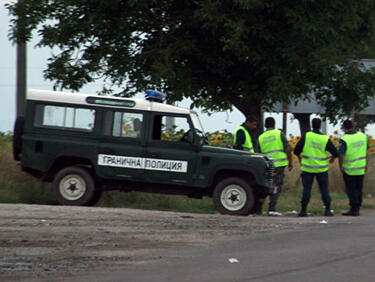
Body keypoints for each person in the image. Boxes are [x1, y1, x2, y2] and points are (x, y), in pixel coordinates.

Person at [294, 118, 338, 217]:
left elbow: (296, 150)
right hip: (321, 169)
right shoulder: (324, 138)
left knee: (307, 189)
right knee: (324, 190)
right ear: (320, 126)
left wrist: (300, 156)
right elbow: (335, 152)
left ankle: (303, 210)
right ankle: (327, 210)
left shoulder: (307, 136)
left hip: (307, 168)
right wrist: (332, 158)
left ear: (312, 125)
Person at [258, 117, 293, 215]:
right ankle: (271, 208)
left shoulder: (261, 137)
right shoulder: (279, 134)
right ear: (274, 124)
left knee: (265, 185)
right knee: (276, 186)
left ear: (265, 125)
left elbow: (259, 153)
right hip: (279, 165)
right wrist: (290, 162)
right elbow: (288, 149)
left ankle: (258, 207)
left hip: (266, 166)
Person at [339, 119, 370, 216]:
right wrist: (366, 164)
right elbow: (368, 152)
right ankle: (358, 207)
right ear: (353, 126)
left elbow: (341, 155)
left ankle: (354, 208)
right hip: (360, 168)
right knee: (358, 188)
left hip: (349, 169)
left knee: (351, 189)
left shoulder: (344, 139)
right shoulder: (363, 136)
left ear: (344, 128)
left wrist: (341, 167)